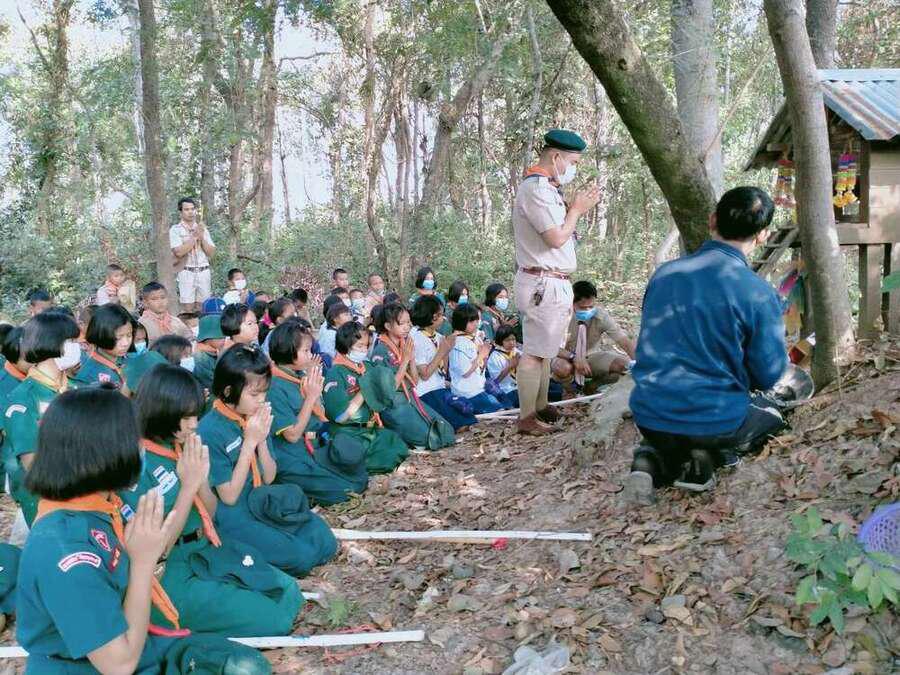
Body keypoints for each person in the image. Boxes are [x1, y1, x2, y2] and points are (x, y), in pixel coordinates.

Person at [17, 386, 271, 674]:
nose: (139, 448)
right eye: (131, 440)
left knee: (245, 664)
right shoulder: (65, 551)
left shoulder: (98, 508)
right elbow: (119, 665)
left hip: (136, 637)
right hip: (88, 665)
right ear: (102, 453)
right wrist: (142, 563)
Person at [625, 186, 789, 505]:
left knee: (671, 425)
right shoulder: (757, 292)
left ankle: (649, 459)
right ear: (762, 235)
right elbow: (769, 375)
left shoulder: (664, 275)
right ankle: (706, 456)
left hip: (650, 415)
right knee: (771, 415)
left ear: (712, 220)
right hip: (715, 420)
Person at [127, 364, 302, 635]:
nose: (194, 424)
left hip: (205, 545)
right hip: (170, 569)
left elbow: (209, 510)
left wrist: (199, 481)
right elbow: (156, 551)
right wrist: (188, 487)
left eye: (196, 415)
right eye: (186, 417)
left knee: (289, 590)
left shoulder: (182, 444)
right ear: (161, 411)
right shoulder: (136, 467)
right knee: (276, 621)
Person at [198, 345, 338, 577]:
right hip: (234, 513)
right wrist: (249, 443)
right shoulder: (209, 430)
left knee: (325, 541)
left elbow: (269, 476)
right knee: (300, 558)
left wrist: (262, 439)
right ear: (228, 391)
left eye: (264, 393)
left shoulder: (253, 415)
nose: (261, 400)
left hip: (262, 499)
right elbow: (229, 496)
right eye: (254, 395)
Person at [512, 128, 600, 435]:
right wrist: (576, 210)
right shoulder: (536, 189)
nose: (573, 169)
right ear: (556, 157)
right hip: (542, 282)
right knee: (534, 353)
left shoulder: (548, 189)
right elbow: (555, 237)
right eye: (572, 162)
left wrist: (573, 210)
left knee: (545, 350)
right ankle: (526, 418)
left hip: (552, 281)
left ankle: (539, 406)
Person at [267, 321, 367, 504]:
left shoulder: (298, 376)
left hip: (315, 444)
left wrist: (313, 389)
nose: (310, 355)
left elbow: (320, 414)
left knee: (359, 477)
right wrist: (311, 397)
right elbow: (292, 435)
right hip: (292, 455)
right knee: (345, 492)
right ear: (288, 350)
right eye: (305, 350)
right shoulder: (274, 387)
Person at [3, 312, 81, 525]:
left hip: (85, 494)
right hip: (48, 502)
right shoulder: (22, 400)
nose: (77, 347)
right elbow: (34, 465)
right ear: (50, 343)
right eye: (71, 341)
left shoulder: (75, 390)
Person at [322, 322, 409, 474]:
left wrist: (406, 361)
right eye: (359, 346)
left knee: (397, 445)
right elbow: (340, 417)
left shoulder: (366, 366)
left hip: (370, 430)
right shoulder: (336, 373)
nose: (364, 350)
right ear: (345, 345)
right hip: (348, 432)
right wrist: (365, 388)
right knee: (356, 455)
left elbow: (388, 389)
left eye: (367, 346)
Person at [369, 303, 455, 449]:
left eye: (408, 322)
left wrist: (412, 358)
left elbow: (414, 381)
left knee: (447, 432)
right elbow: (389, 390)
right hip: (394, 405)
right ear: (388, 326)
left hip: (410, 398)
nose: (407, 327)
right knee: (428, 438)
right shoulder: (380, 352)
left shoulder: (404, 345)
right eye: (402, 323)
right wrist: (405, 361)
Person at [552, 280, 636, 391]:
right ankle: (569, 390)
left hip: (591, 356)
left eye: (591, 306)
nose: (588, 310)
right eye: (582, 307)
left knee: (625, 366)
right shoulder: (560, 317)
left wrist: (639, 363)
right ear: (571, 303)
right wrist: (573, 357)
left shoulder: (601, 316)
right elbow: (550, 346)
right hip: (564, 357)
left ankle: (592, 386)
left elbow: (624, 341)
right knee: (563, 368)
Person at [409, 296, 477, 432]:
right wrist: (442, 351)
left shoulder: (439, 337)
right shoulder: (416, 339)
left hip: (440, 387)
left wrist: (447, 350)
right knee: (460, 424)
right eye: (440, 315)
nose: (443, 318)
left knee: (469, 415)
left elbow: (443, 371)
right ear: (431, 317)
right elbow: (425, 375)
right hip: (426, 391)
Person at [448, 304, 504, 414]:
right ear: (460, 322)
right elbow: (465, 372)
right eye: (471, 321)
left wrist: (485, 355)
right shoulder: (458, 343)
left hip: (479, 388)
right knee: (498, 410)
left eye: (477, 320)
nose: (476, 323)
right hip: (467, 392)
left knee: (502, 406)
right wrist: (481, 355)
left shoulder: (475, 339)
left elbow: (481, 368)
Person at [72, 304, 134, 392]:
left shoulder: (132, 360)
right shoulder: (87, 376)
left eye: (129, 335)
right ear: (101, 335)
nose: (126, 343)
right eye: (118, 338)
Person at [170, 197, 216, 313]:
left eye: (192, 209)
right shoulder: (175, 230)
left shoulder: (202, 229)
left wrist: (202, 238)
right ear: (180, 212)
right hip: (186, 271)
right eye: (186, 209)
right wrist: (194, 237)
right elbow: (179, 252)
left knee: (204, 307)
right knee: (187, 308)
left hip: (203, 271)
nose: (190, 212)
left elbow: (211, 252)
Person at [487, 325, 520, 409]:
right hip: (507, 391)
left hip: (521, 387)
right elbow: (496, 381)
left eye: (513, 339)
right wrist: (509, 367)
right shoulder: (494, 357)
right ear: (501, 341)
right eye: (507, 340)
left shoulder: (517, 352)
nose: (511, 343)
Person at [194, 314, 225, 392]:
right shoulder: (201, 357)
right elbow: (209, 382)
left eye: (224, 337)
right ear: (208, 339)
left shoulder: (215, 350)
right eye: (220, 338)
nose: (223, 340)